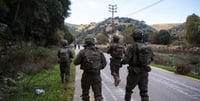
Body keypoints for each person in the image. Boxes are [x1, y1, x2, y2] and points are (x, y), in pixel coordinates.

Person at [121, 29, 154, 101]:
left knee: (128, 90)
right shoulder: (148, 47)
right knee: (144, 92)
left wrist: (121, 63)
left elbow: (126, 60)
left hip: (133, 72)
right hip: (144, 72)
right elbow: (152, 59)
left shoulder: (130, 46)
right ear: (142, 37)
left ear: (133, 37)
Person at [74, 35, 107, 101]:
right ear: (93, 42)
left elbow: (75, 62)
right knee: (98, 94)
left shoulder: (82, 52)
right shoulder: (99, 52)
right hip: (96, 75)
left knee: (85, 93)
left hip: (86, 75)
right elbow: (104, 63)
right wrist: (97, 68)